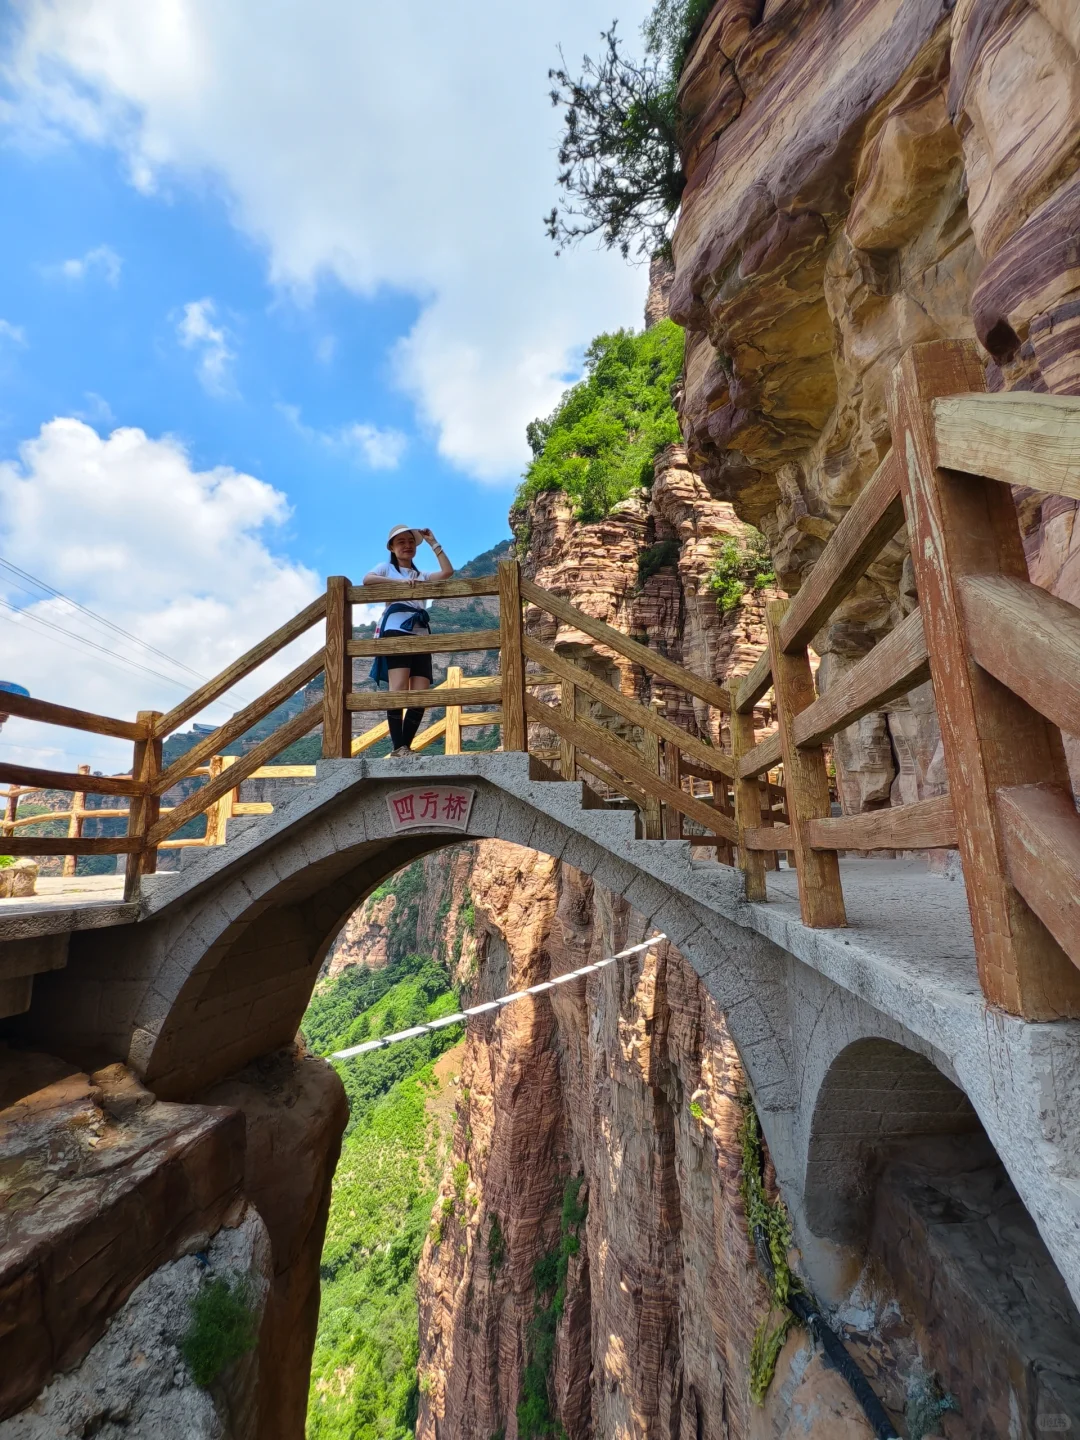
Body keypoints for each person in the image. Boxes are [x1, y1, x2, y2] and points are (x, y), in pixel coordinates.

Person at [363, 526, 454, 758]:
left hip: (421, 633)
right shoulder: (386, 568)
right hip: (396, 631)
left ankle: (405, 746)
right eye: (401, 542)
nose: (407, 545)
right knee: (399, 688)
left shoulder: (420, 575)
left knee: (420, 692)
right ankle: (399, 747)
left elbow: (446, 573)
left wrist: (434, 542)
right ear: (392, 548)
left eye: (410, 542)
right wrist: (400, 585)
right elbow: (367, 580)